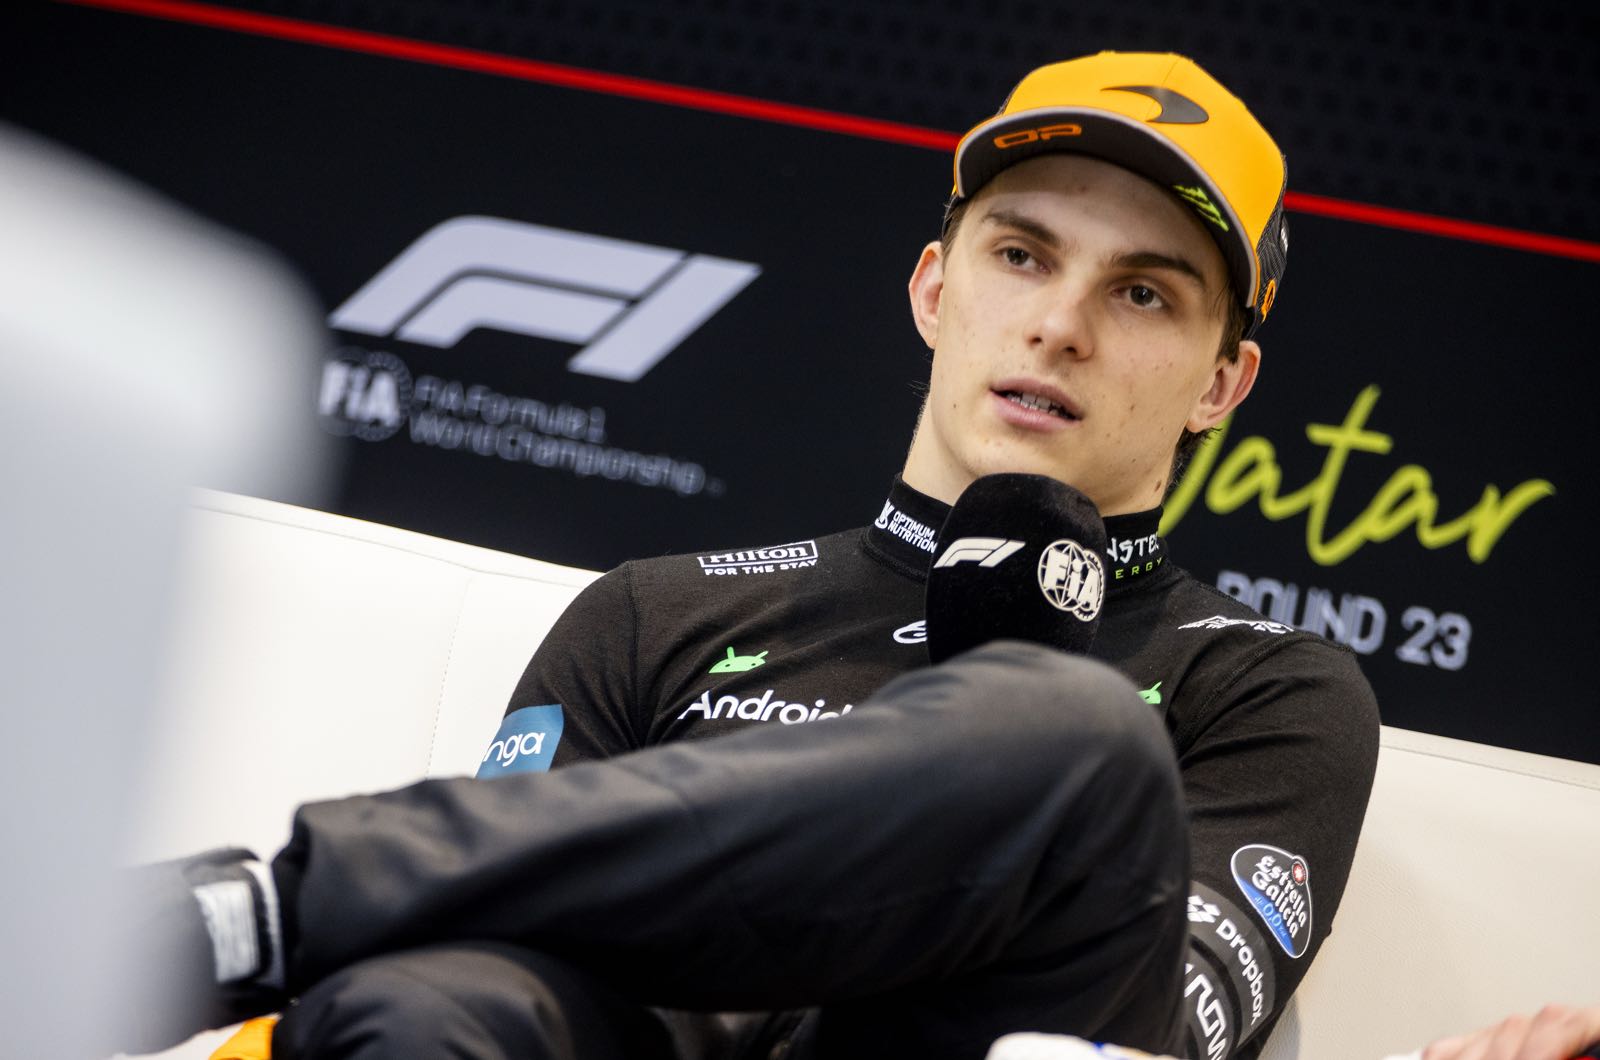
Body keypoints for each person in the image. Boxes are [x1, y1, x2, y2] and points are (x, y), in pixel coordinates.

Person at [125, 52, 1383, 1060]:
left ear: (1221, 384)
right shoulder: (652, 613)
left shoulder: (1269, 687)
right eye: (1021, 255)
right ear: (934, 290)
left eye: (1142, 293)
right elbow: (502, 958)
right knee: (421, 1006)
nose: (1059, 324)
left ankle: (269, 910)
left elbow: (1163, 1027)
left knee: (1080, 735)